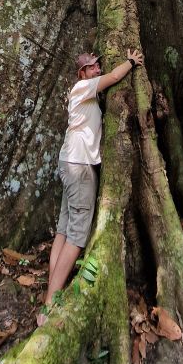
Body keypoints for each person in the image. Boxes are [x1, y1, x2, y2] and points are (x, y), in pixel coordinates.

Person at [39, 47, 144, 324]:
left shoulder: (85, 97)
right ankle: (50, 303)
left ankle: (52, 287)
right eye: (92, 67)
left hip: (70, 163)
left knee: (63, 229)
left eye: (98, 65)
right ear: (82, 73)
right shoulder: (83, 87)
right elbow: (112, 78)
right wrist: (131, 62)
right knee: (77, 234)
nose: (97, 69)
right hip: (79, 167)